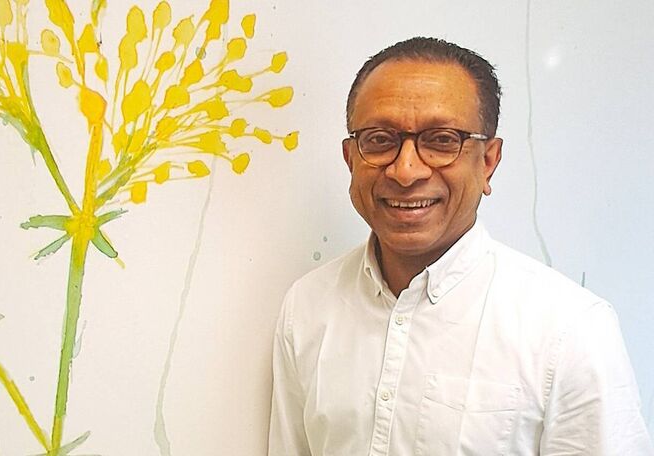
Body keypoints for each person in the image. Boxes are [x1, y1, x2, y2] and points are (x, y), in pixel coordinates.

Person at [268, 37, 653, 455]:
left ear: (488, 161)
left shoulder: (569, 328)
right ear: (351, 159)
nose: (406, 171)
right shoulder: (308, 305)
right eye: (379, 139)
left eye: (442, 140)